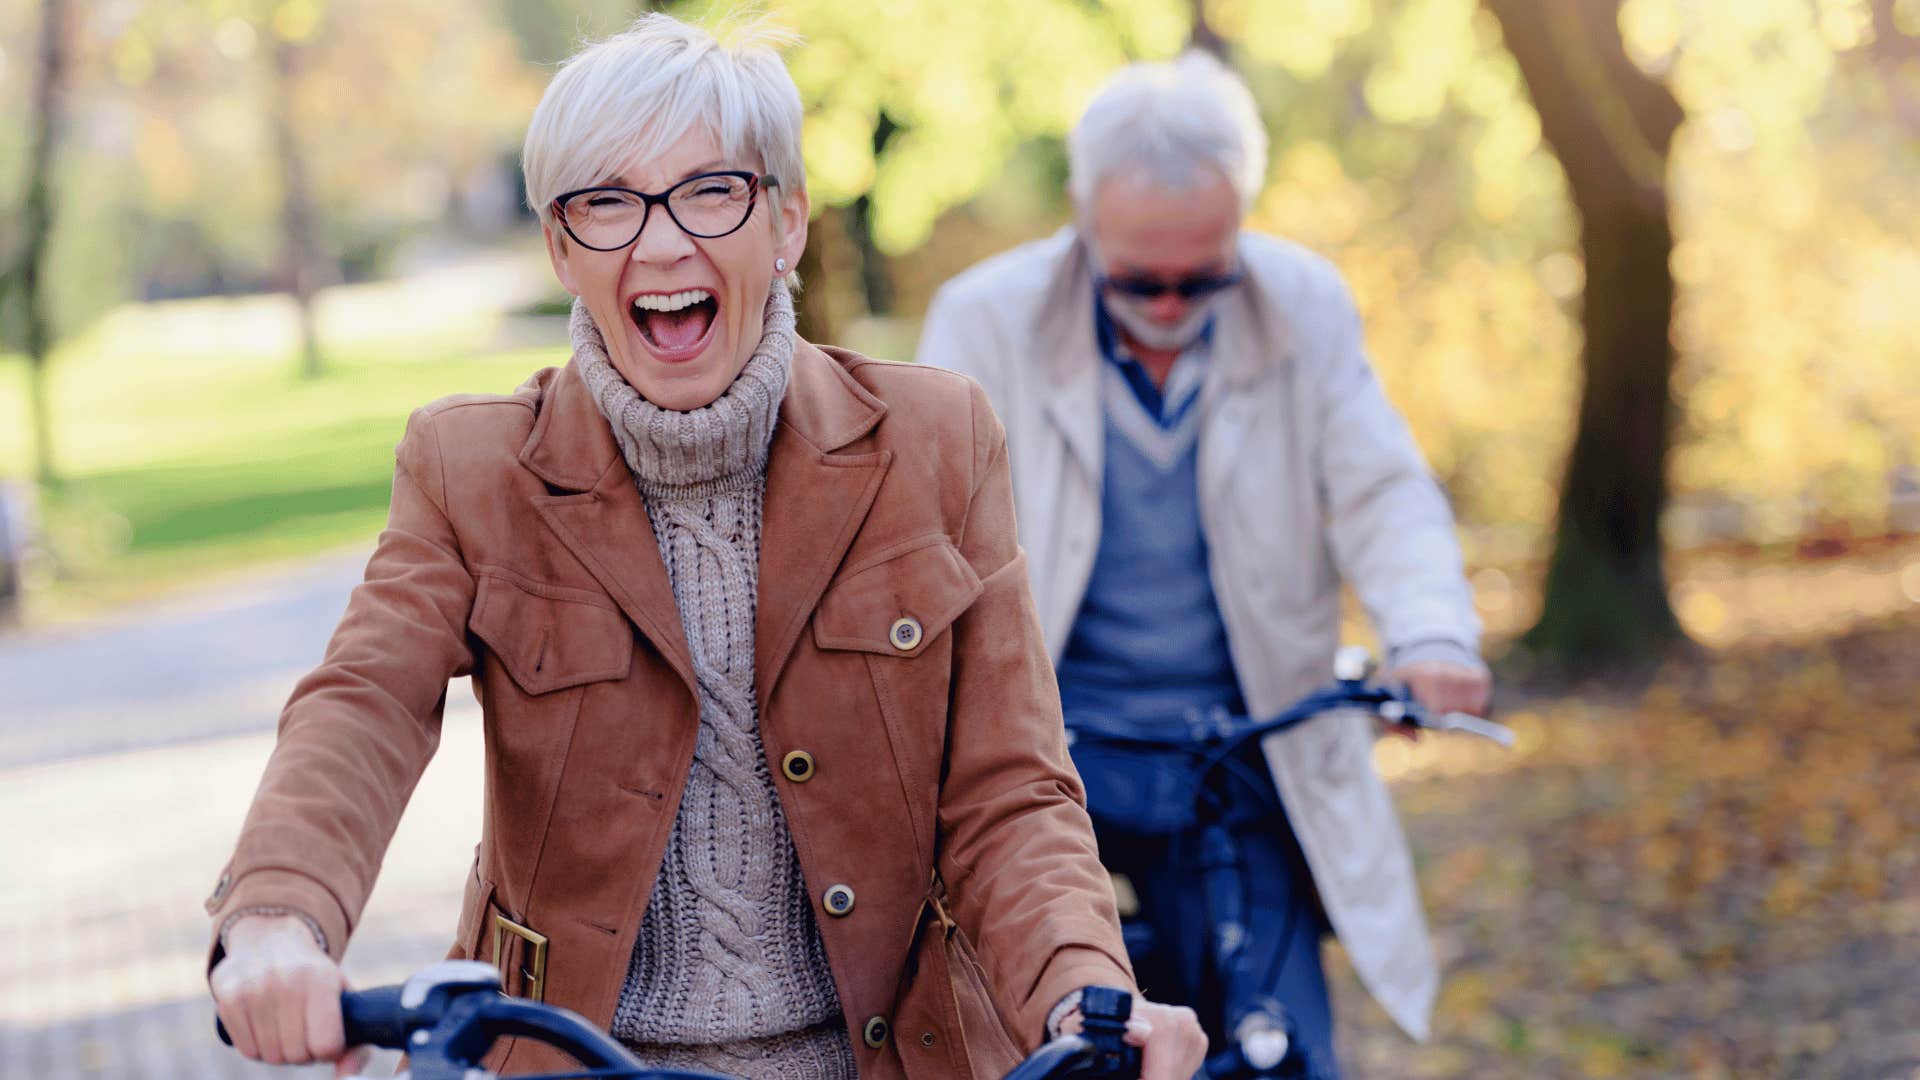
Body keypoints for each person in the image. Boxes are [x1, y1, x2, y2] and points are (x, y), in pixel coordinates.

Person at [205, 15, 1206, 1080]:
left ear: (787, 222)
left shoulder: (936, 444)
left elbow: (1012, 791)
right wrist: (279, 917)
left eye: (711, 190)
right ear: (559, 248)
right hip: (565, 1057)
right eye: (606, 202)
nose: (662, 241)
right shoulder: (472, 468)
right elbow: (361, 707)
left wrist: (1082, 992)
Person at [916, 51, 1492, 1077]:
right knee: (1048, 1044)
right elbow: (919, 543)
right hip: (1047, 758)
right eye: (1142, 279)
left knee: (1283, 1047)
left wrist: (1431, 632)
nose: (1174, 306)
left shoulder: (1302, 305)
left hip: (1239, 754)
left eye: (1204, 277)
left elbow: (1382, 491)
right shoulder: (984, 320)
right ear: (1083, 216)